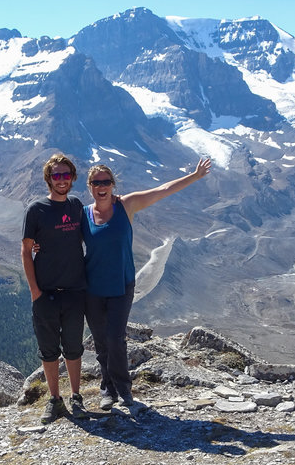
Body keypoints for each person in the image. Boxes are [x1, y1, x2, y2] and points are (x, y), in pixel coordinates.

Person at [82, 157, 212, 415]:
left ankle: (123, 387)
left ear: (112, 184)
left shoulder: (127, 205)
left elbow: (162, 190)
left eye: (106, 181)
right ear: (90, 186)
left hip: (121, 285)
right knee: (100, 341)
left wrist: (194, 176)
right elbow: (62, 239)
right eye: (96, 182)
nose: (102, 186)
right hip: (92, 288)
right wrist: (37, 247)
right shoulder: (83, 215)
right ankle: (107, 389)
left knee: (116, 338)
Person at [21, 153, 89, 423]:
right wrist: (34, 291)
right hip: (46, 293)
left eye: (66, 175)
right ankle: (54, 399)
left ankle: (76, 396)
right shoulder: (36, 210)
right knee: (49, 350)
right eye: (56, 176)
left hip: (74, 291)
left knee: (74, 348)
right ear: (48, 179)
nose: (62, 180)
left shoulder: (76, 206)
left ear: (72, 178)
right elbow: (26, 251)